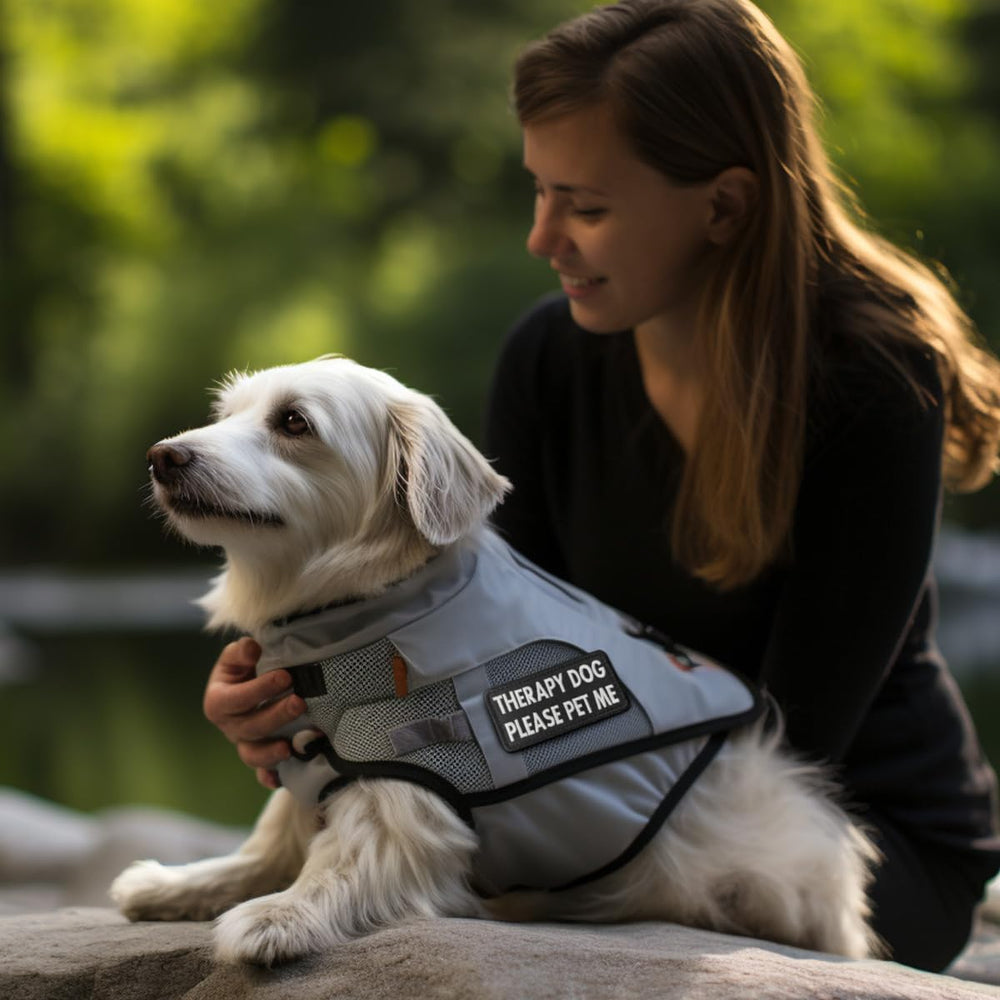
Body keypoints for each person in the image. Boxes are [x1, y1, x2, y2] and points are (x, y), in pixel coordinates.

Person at [202, 0, 1000, 972]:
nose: (544, 237)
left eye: (586, 206)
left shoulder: (874, 376)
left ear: (724, 206)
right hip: (590, 798)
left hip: (825, 822)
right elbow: (485, 639)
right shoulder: (548, 353)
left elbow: (792, 730)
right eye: (538, 192)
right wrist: (302, 704)